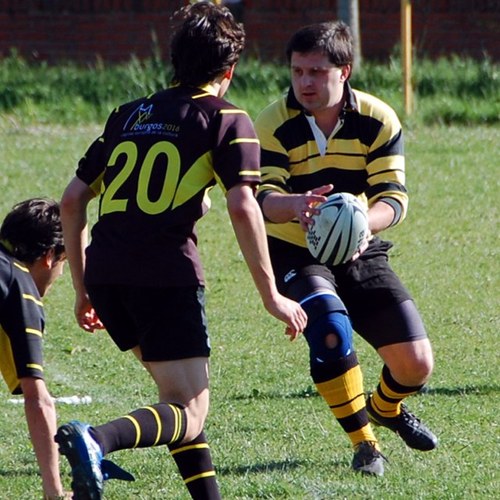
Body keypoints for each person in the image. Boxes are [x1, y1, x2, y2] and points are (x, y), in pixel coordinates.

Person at [55, 2, 307, 499]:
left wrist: (83, 288)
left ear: (174, 60)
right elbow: (243, 206)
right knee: (188, 409)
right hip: (164, 277)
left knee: (177, 401)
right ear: (229, 70)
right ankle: (97, 439)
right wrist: (271, 295)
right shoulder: (228, 118)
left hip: (106, 273)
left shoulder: (129, 114)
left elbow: (71, 201)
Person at [254, 21, 438, 476]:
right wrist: (297, 205)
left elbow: (394, 198)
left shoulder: (378, 119)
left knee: (416, 365)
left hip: (360, 246)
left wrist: (361, 225)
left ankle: (386, 408)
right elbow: (261, 200)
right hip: (295, 251)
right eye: (297, 72)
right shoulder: (273, 123)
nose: (305, 83)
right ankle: (367, 444)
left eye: (316, 72)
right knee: (332, 330)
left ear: (345, 71)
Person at [0, 198, 69, 499]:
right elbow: (37, 400)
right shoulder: (19, 285)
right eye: (65, 263)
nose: (62, 275)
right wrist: (54, 490)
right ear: (50, 256)